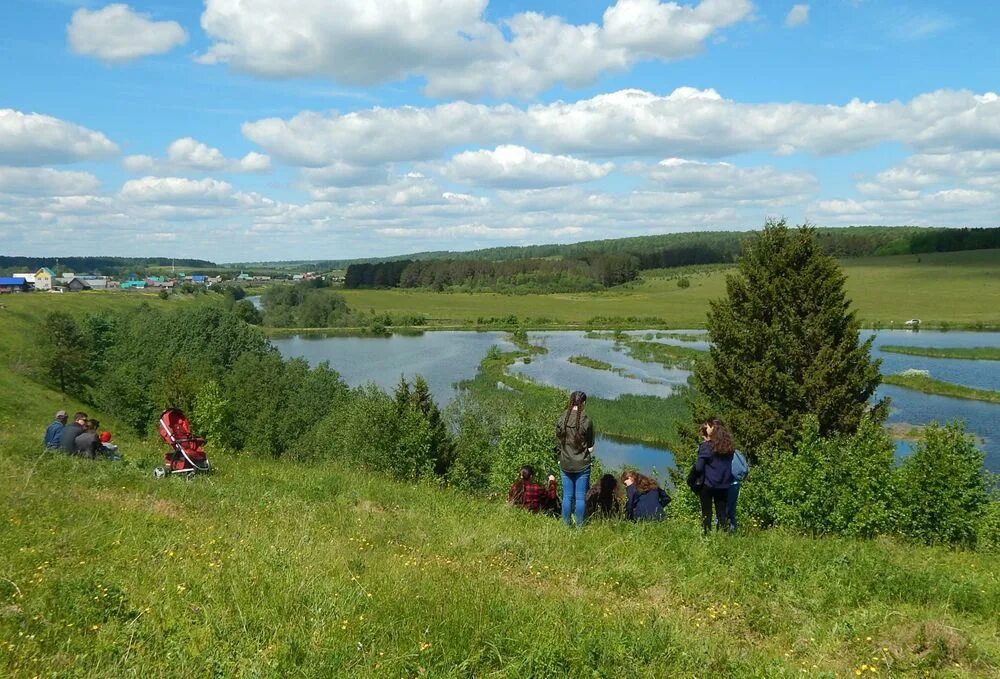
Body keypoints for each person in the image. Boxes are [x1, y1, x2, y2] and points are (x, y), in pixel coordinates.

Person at [555, 390, 594, 527]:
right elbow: (590, 444)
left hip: (565, 463)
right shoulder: (586, 421)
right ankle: (579, 527)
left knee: (566, 497)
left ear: (571, 402)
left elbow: (558, 442)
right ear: (583, 403)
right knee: (580, 498)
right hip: (582, 464)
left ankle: (565, 525)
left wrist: (559, 457)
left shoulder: (562, 418)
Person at [694, 418, 735, 534]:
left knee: (706, 512)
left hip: (708, 484)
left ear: (714, 428)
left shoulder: (706, 446)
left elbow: (699, 467)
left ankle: (706, 535)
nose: (706, 428)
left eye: (708, 426)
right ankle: (723, 536)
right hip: (724, 484)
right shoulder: (728, 446)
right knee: (722, 513)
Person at [728, 444, 749, 531]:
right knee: (732, 511)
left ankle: (720, 533)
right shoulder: (737, 453)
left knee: (722, 511)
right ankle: (732, 533)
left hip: (728, 485)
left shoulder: (726, 454)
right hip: (737, 483)